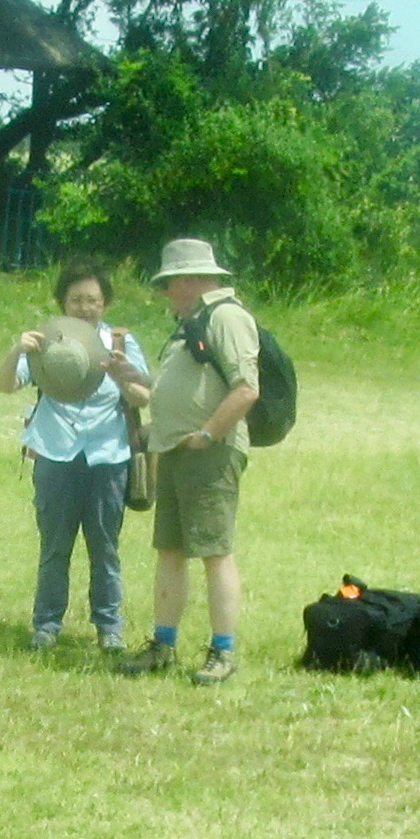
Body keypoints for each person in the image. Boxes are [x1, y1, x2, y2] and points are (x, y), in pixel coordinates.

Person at [116, 238, 260, 685]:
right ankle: (163, 644)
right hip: (177, 451)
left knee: (215, 552)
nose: (164, 293)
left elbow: (245, 388)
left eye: (169, 284)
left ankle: (223, 651)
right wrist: (136, 379)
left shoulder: (228, 317)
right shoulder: (191, 323)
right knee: (171, 551)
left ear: (190, 280)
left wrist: (207, 434)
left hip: (209, 453)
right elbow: (178, 386)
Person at [0, 259, 149, 654]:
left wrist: (121, 376)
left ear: (106, 303)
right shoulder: (46, 341)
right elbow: (6, 385)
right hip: (55, 452)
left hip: (108, 455)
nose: (85, 307)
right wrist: (17, 349)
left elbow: (144, 397)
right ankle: (46, 625)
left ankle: (110, 628)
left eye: (93, 299)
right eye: (76, 299)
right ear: (62, 301)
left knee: (105, 547)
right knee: (54, 546)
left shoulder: (120, 342)